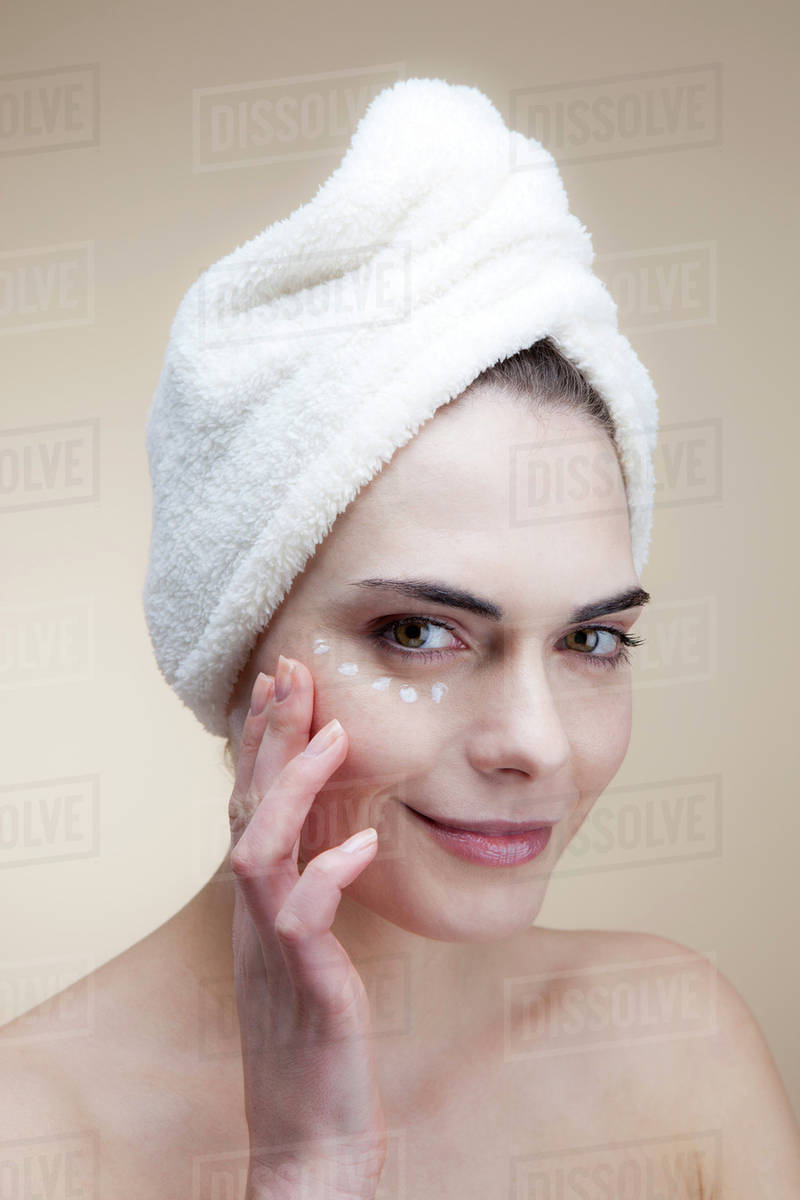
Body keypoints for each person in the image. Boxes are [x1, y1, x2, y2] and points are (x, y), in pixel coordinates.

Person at [5, 80, 800, 1200]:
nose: (536, 745)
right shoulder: (33, 1136)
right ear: (238, 646)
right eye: (419, 632)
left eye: (590, 641)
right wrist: (306, 1173)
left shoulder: (672, 1047)